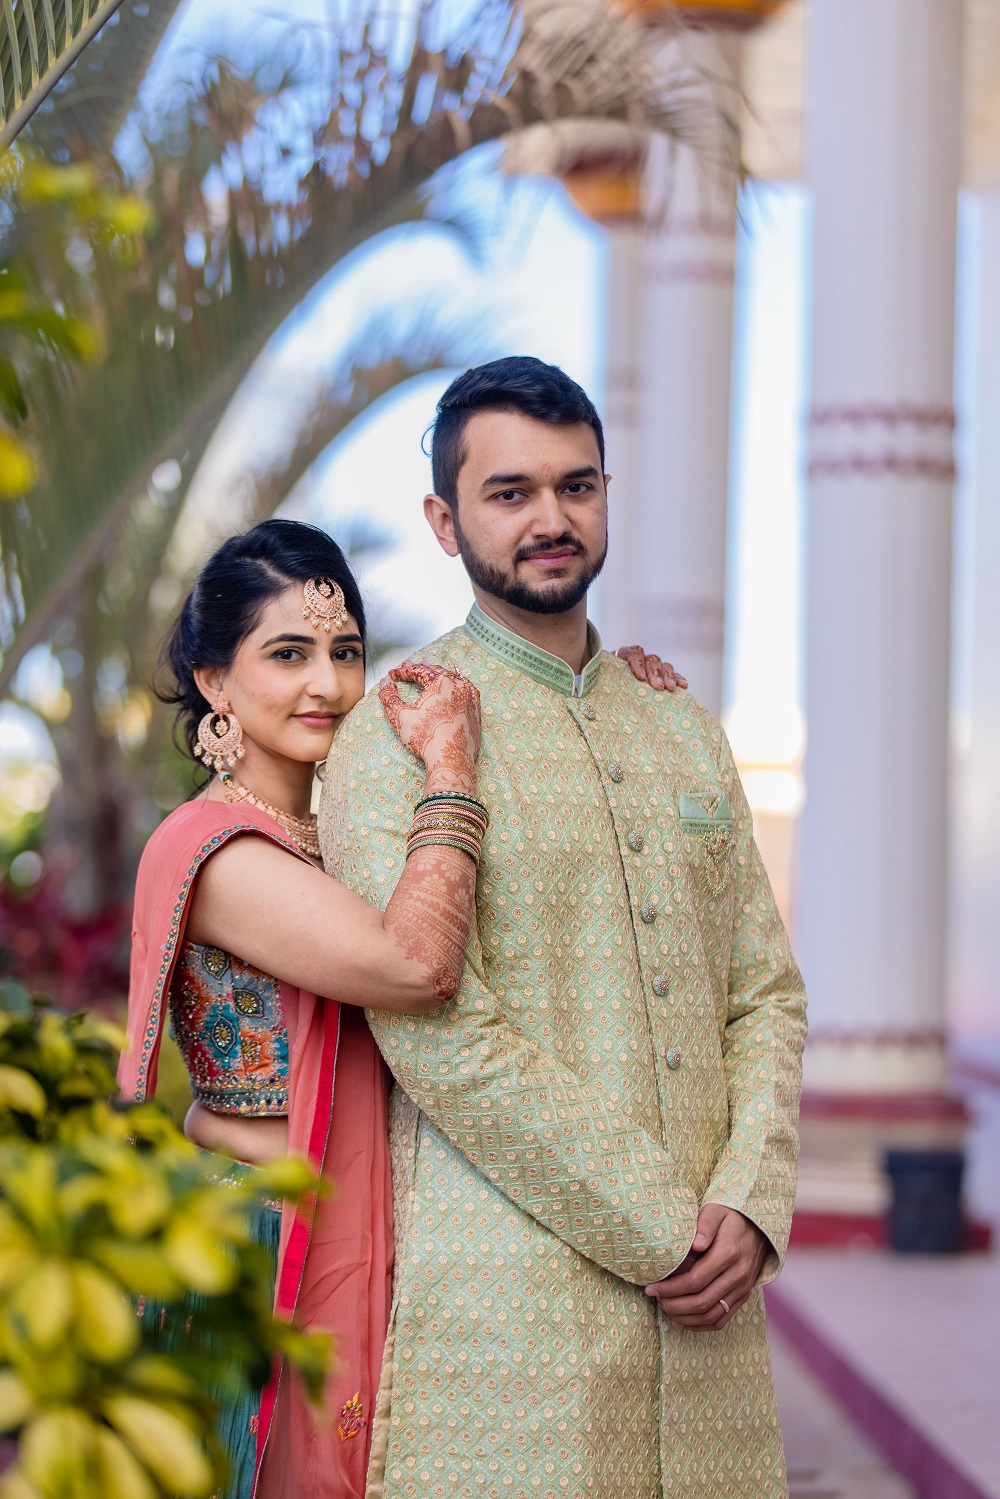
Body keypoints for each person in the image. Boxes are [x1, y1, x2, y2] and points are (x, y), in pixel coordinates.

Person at [320, 357, 808, 1499]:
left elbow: (764, 991)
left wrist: (750, 1197)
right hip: (513, 1329)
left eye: (576, 486)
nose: (551, 518)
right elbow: (435, 1028)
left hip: (714, 1332)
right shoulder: (397, 734)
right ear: (444, 521)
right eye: (511, 492)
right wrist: (662, 1224)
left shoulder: (682, 727)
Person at [119, 518, 680, 1499]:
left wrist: (606, 697)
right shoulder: (214, 848)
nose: (327, 684)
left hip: (376, 1229)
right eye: (287, 654)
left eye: (345, 651)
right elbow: (416, 965)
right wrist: (451, 769)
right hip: (258, 1246)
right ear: (214, 681)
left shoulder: (343, 834)